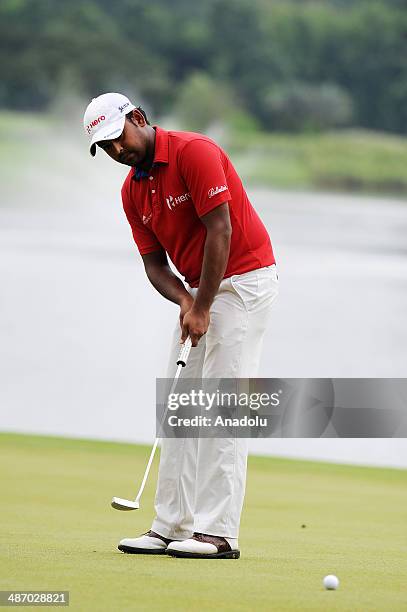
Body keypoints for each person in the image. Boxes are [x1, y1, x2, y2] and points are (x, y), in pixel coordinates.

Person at [83, 92, 279, 559]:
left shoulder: (195, 152)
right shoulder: (132, 190)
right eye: (105, 148)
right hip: (202, 292)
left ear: (138, 118)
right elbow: (155, 266)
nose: (116, 151)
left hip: (245, 281)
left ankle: (219, 532)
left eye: (117, 138)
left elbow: (221, 229)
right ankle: (171, 525)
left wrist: (202, 303)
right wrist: (188, 301)